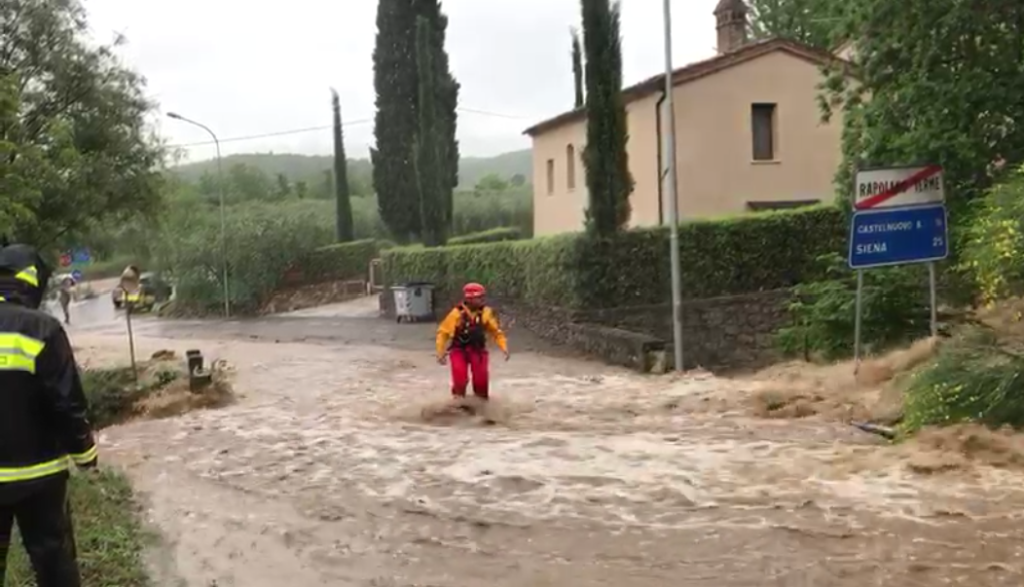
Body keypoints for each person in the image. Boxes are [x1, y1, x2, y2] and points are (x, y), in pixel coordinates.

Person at [0, 243, 98, 586]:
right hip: (40, 477)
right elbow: (66, 402)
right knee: (53, 561)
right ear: (32, 283)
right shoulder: (42, 328)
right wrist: (86, 455)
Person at [435, 282, 510, 400]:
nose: (482, 300)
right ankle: (458, 404)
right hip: (458, 351)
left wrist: (504, 347)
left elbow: (496, 332)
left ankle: (481, 406)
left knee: (481, 381)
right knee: (460, 379)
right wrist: (440, 352)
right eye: (479, 297)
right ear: (469, 298)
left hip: (478, 351)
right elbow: (443, 332)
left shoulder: (486, 313)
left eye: (483, 297)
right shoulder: (456, 313)